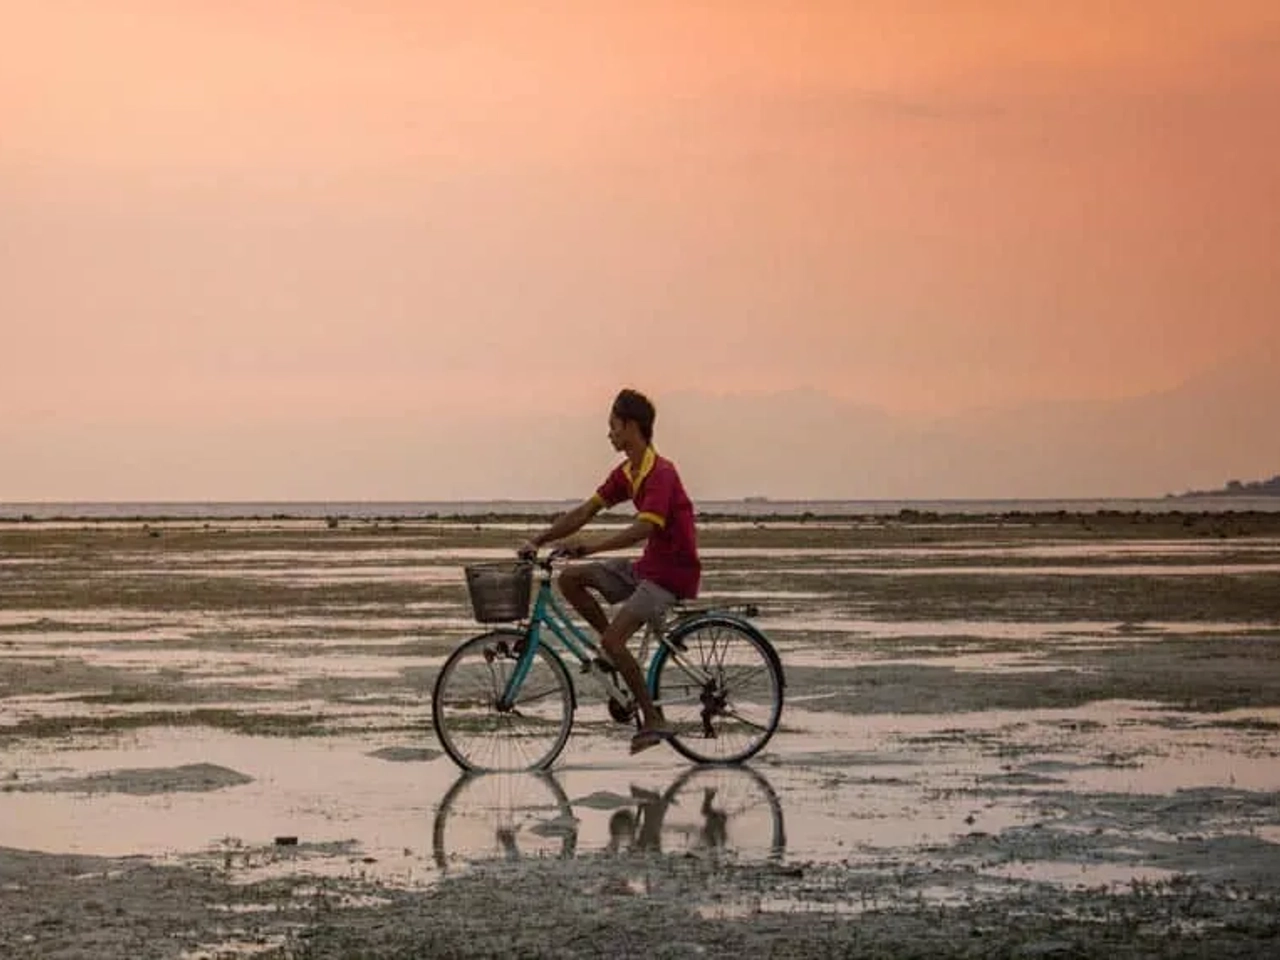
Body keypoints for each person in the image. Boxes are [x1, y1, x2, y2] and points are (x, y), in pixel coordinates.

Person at [521, 388, 701, 754]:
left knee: (615, 641)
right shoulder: (627, 473)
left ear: (631, 427)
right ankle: (611, 657)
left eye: (613, 426)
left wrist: (592, 547)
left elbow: (643, 529)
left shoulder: (661, 473)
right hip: (646, 568)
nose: (609, 434)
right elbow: (585, 511)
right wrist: (538, 540)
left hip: (670, 575)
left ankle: (653, 719)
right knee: (570, 578)